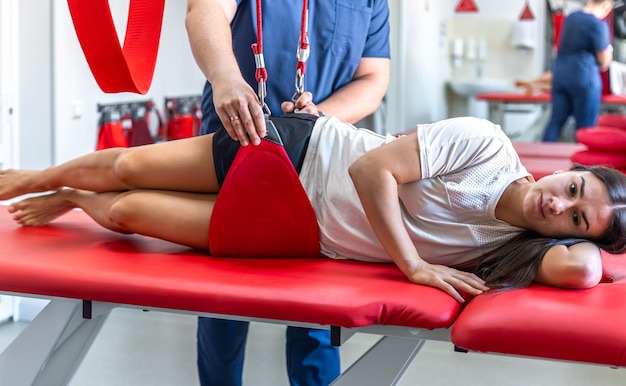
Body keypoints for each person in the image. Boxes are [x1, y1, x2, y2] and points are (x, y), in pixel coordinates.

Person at [3, 113, 626, 295]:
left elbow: (583, 270)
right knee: (131, 164)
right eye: (574, 190)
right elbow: (370, 168)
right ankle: (33, 177)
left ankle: (73, 198)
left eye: (577, 221)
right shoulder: (486, 145)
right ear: (568, 171)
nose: (559, 207)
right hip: (301, 152)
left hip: (304, 230)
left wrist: (598, 240)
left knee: (132, 211)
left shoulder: (515, 253)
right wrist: (414, 266)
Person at [185, 0, 391, 384]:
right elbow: (205, 10)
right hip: (234, 140)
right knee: (222, 302)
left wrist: (319, 117)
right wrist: (225, 77)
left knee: (316, 309)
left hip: (318, 156)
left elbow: (373, 78)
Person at [543, 0, 614, 142]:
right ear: (607, 5)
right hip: (584, 77)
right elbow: (605, 62)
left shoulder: (571, 18)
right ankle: (581, 164)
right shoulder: (598, 24)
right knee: (585, 127)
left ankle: (538, 161)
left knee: (556, 121)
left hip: (561, 75)